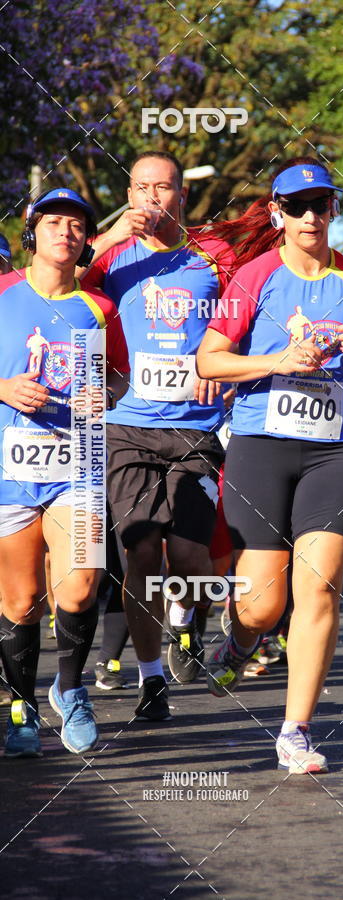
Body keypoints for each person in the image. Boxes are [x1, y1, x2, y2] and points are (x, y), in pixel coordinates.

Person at [197, 156, 343, 773]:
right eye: (299, 206)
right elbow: (209, 362)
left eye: (323, 205)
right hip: (262, 445)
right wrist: (277, 361)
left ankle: (295, 731)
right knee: (262, 604)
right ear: (279, 214)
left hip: (332, 450)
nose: (313, 216)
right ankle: (239, 639)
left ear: (334, 211)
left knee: (320, 587)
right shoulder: (254, 279)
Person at [82, 151, 233, 718]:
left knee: (193, 560)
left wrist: (225, 373)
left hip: (196, 429)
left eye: (163, 188)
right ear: (129, 192)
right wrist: (113, 231)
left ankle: (188, 614)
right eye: (141, 187)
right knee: (141, 553)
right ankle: (150, 681)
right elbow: (59, 284)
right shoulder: (111, 255)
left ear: (182, 196)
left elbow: (244, 321)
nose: (151, 198)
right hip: (128, 426)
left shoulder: (214, 258)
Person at [0, 188, 129, 757]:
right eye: (54, 222)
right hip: (9, 467)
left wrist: (107, 393)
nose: (66, 232)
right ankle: (21, 711)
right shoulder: (2, 294)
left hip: (79, 463)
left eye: (77, 225)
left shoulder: (99, 307)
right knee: (20, 600)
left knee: (79, 586)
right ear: (33, 232)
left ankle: (71, 688)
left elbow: (120, 378)